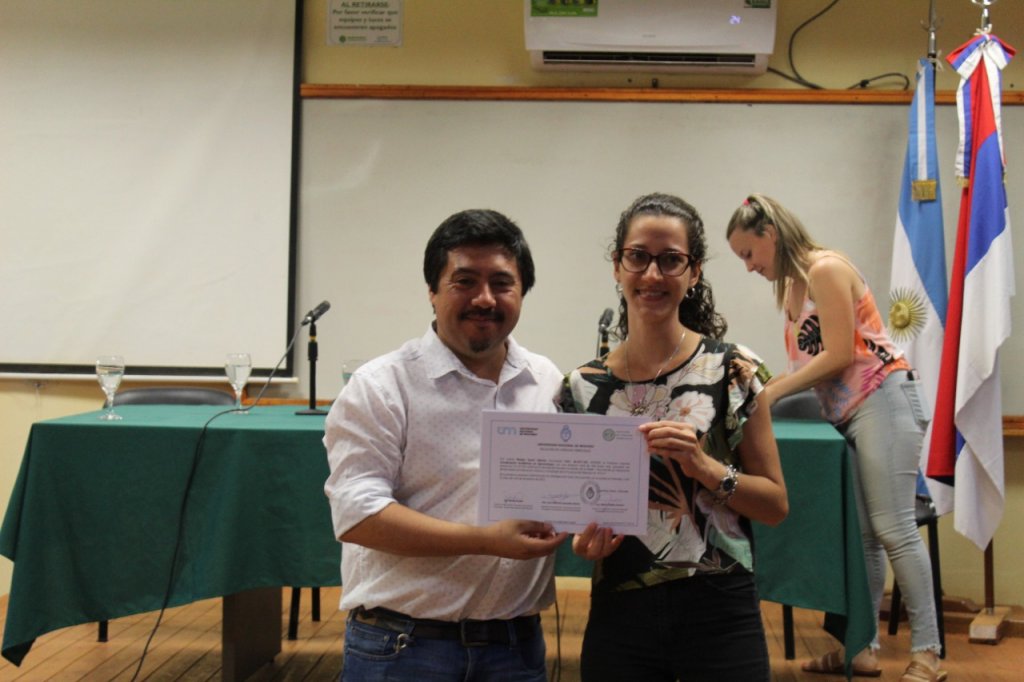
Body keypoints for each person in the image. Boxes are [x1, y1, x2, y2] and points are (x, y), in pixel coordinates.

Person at [323, 208, 568, 682]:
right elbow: (358, 516)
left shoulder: (548, 382)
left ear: (522, 292)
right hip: (404, 648)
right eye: (464, 281)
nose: (485, 298)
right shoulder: (382, 385)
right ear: (432, 291)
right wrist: (486, 541)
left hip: (516, 649)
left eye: (502, 283)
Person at [562, 192, 789, 682]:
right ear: (617, 266)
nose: (652, 274)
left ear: (694, 272)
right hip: (621, 607)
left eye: (670, 260)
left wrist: (705, 468)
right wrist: (584, 544)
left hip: (720, 606)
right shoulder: (581, 387)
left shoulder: (733, 370)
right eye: (637, 257)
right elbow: (576, 519)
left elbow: (775, 505)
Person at [726, 194, 945, 682]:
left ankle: (928, 652)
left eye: (749, 253)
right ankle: (860, 649)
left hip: (883, 399)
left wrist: (771, 392)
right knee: (864, 538)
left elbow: (841, 354)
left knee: (894, 529)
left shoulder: (825, 269)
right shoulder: (792, 289)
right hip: (850, 414)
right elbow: (807, 365)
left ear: (771, 236)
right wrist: (760, 383)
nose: (749, 266)